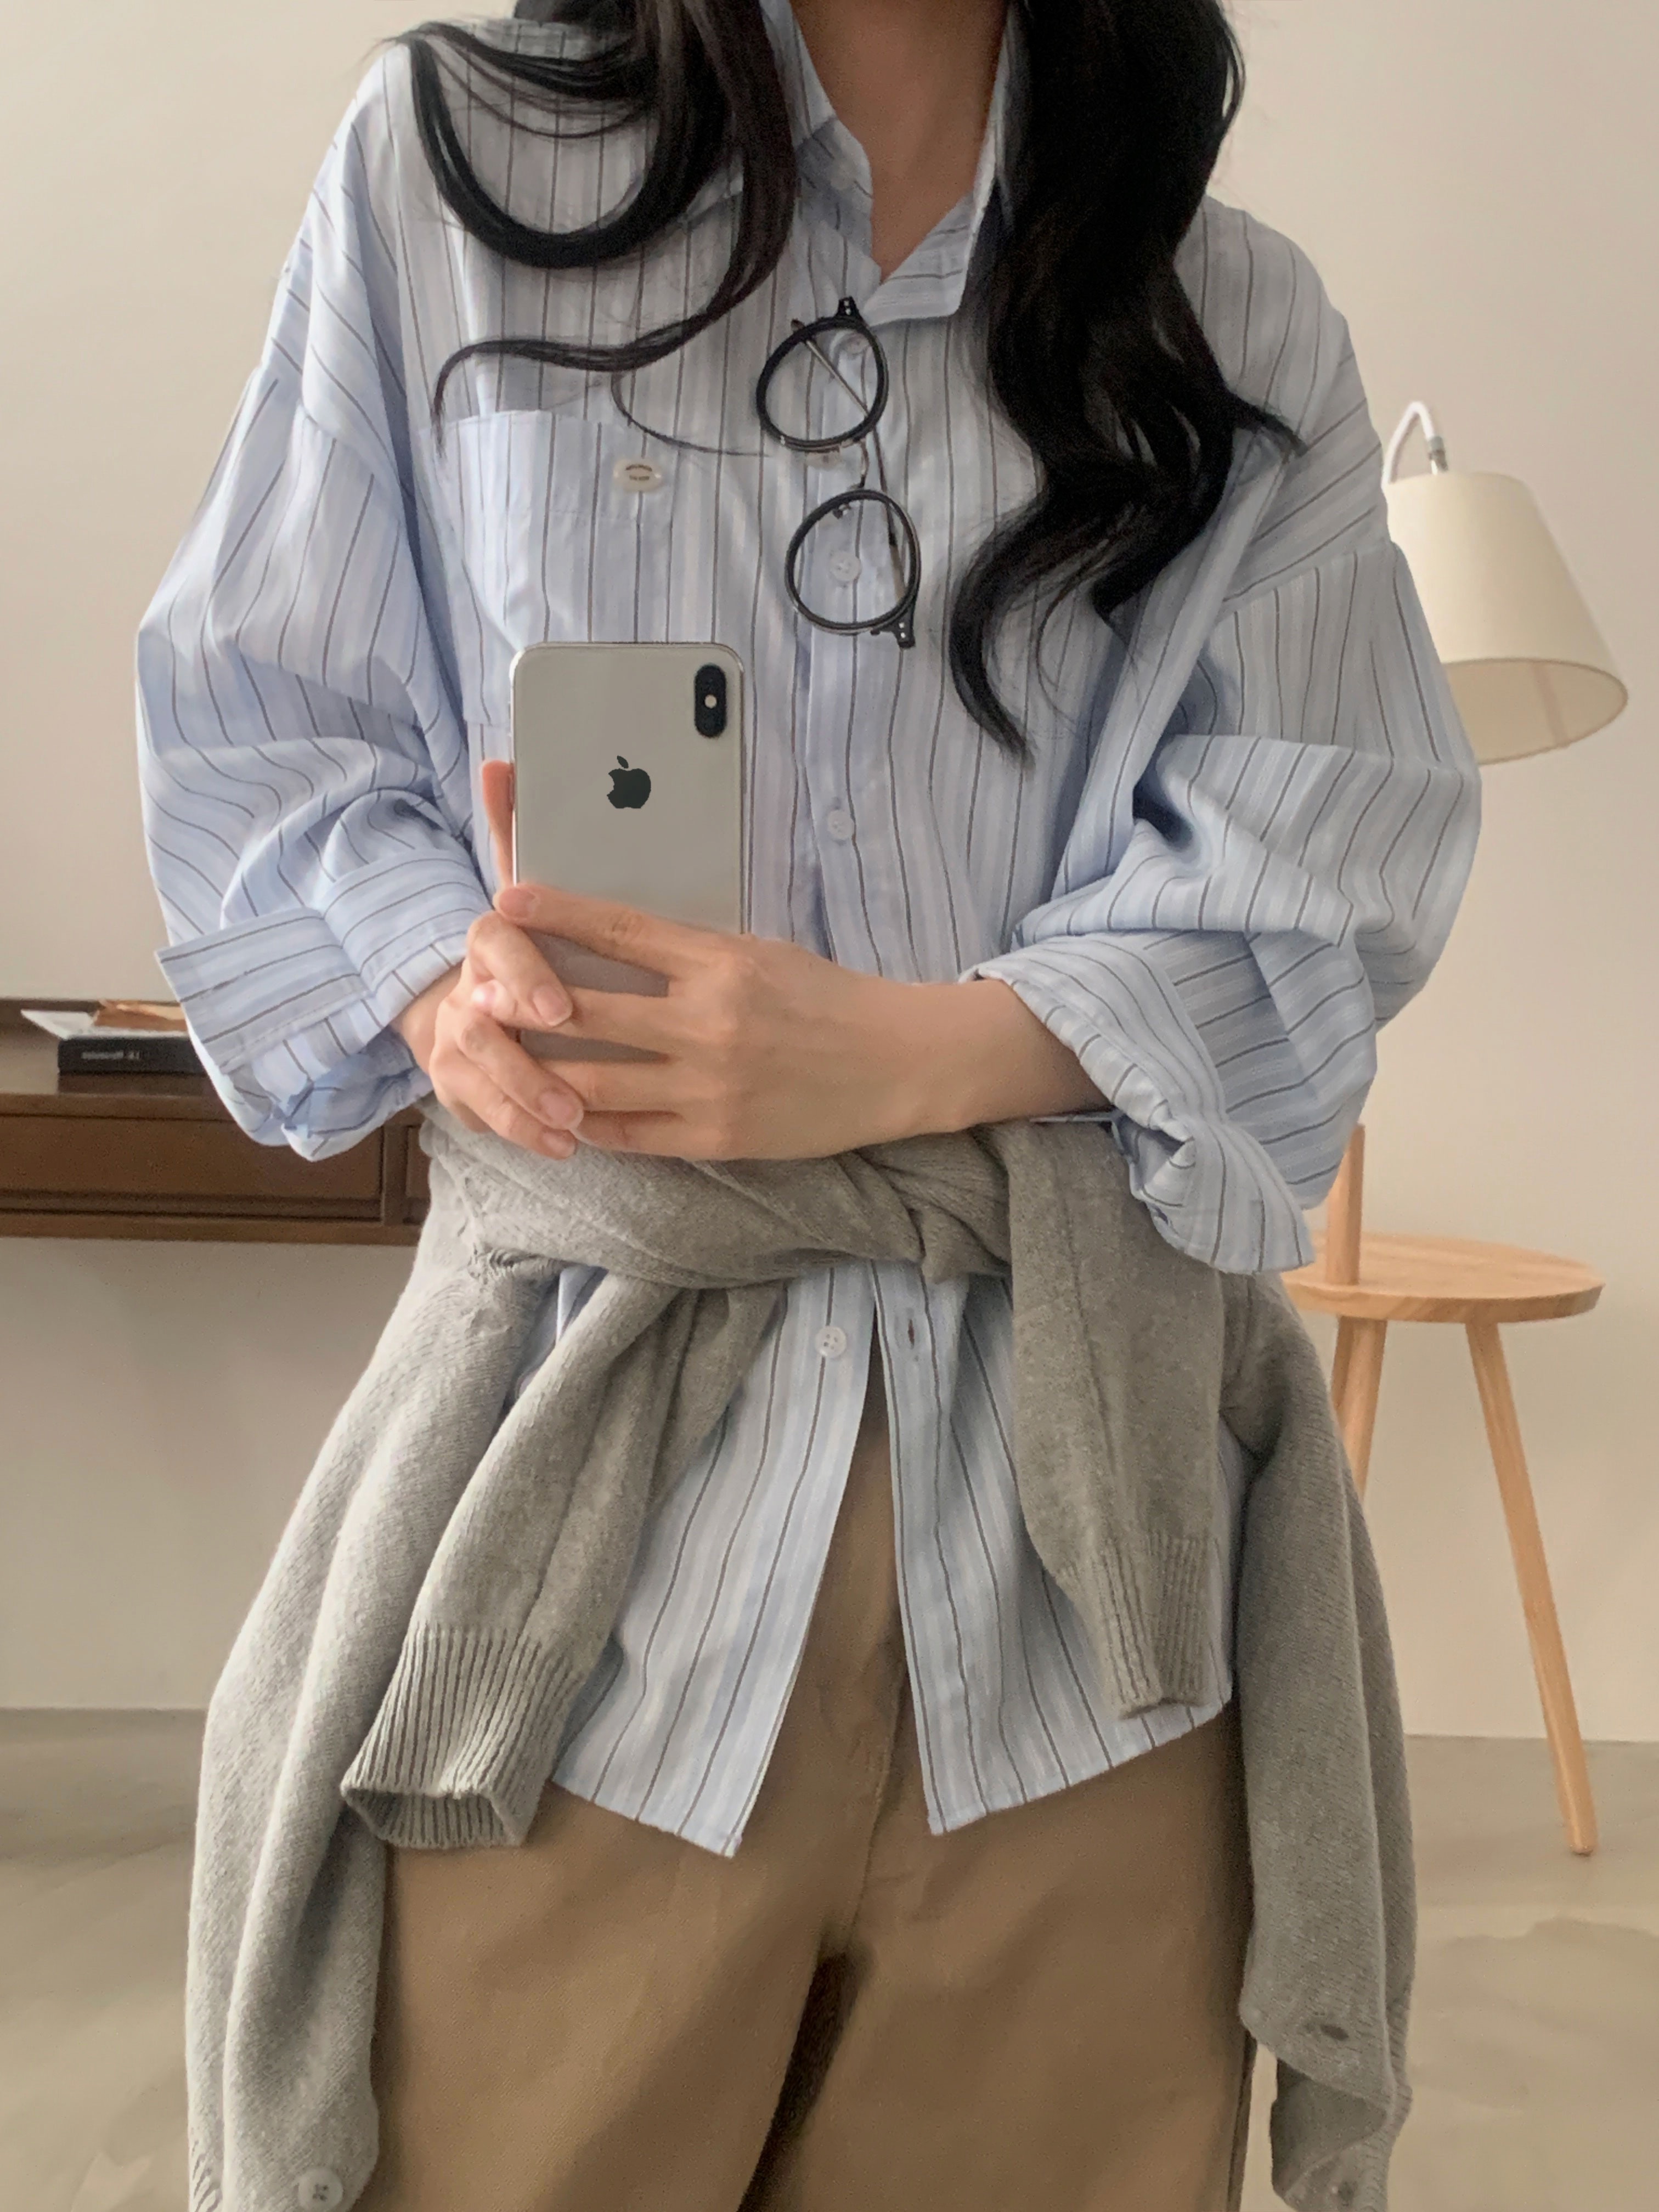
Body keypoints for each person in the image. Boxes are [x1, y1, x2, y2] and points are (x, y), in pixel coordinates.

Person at [136, 3, 1480, 2208]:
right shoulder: (458, 172)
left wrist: (918, 1050)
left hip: (1088, 1598)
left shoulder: (1224, 314)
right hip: (581, 1569)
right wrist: (437, 974)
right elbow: (266, 719)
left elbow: (1337, 843)